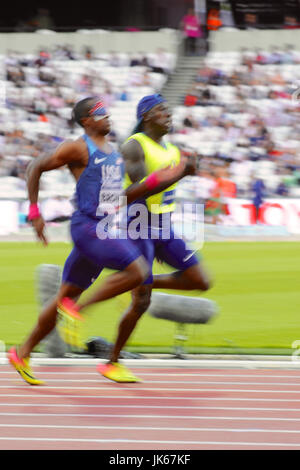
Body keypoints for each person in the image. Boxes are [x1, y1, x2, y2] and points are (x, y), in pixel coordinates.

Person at [8, 96, 195, 385]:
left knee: (64, 296)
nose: (108, 116)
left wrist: (169, 176)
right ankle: (77, 311)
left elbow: (128, 194)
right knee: (138, 272)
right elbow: (35, 166)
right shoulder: (79, 147)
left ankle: (22, 352)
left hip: (106, 226)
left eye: (107, 111)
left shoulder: (114, 153)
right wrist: (34, 211)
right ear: (86, 121)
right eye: (100, 112)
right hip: (88, 229)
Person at [98, 93, 212, 381]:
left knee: (201, 281)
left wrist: (182, 172)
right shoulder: (134, 145)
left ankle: (140, 281)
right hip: (139, 226)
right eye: (162, 110)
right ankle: (113, 362)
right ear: (147, 115)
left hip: (165, 226)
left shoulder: (172, 149)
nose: (169, 115)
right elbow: (139, 187)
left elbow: (168, 185)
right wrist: (180, 174)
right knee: (142, 303)